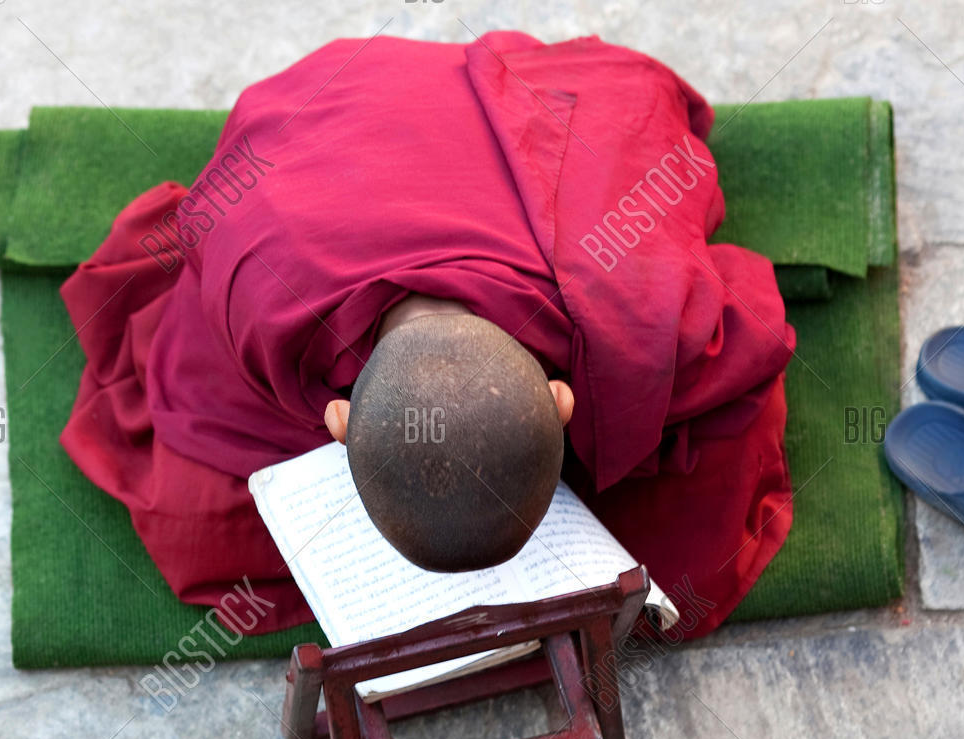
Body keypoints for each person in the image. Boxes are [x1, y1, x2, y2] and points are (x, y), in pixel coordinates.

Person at [59, 30, 796, 638]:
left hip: (350, 98)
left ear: (337, 421)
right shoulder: (631, 291)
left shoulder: (256, 267)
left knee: (205, 509)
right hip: (345, 97)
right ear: (563, 401)